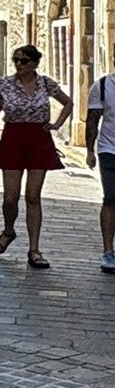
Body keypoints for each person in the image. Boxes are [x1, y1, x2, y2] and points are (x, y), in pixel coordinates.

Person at [0, 44, 72, 271]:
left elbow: (68, 102)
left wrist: (57, 124)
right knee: (10, 197)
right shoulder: (4, 85)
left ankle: (34, 249)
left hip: (38, 139)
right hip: (13, 138)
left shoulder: (45, 83)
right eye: (16, 60)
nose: (19, 64)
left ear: (34, 63)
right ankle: (8, 229)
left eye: (24, 60)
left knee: (33, 195)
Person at [85, 66, 115, 273]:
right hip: (109, 149)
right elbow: (93, 119)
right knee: (111, 197)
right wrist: (89, 150)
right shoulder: (103, 86)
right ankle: (108, 251)